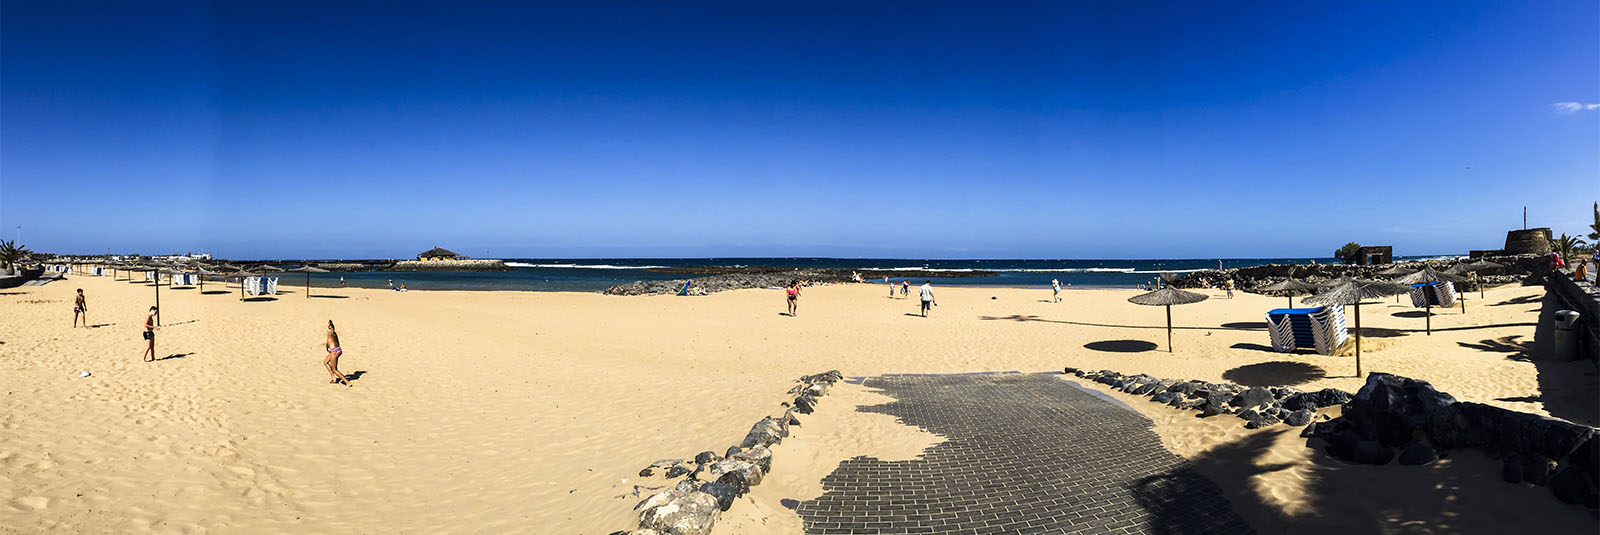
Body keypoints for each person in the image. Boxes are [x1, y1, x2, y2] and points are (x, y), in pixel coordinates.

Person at [324, 320, 350, 386]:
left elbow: (327, 344)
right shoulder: (334, 333)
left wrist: (328, 348)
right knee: (325, 361)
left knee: (334, 369)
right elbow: (337, 343)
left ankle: (347, 382)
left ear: (329, 326)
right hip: (338, 349)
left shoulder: (329, 333)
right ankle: (333, 377)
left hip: (334, 351)